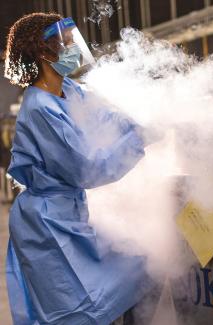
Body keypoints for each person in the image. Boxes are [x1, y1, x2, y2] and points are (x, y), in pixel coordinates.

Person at [4, 13, 153, 325]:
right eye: (67, 43)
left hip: (67, 214)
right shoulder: (39, 109)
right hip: (45, 224)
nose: (73, 48)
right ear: (45, 53)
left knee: (135, 275)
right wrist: (139, 141)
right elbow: (85, 170)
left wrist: (144, 123)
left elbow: (105, 117)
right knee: (72, 312)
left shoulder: (69, 89)